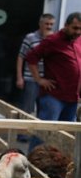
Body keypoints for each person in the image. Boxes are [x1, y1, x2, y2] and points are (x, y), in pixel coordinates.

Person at [26, 11, 81, 152]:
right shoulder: (53, 40)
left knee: (67, 135)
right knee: (45, 133)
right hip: (53, 96)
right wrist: (39, 79)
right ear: (66, 25)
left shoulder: (79, 40)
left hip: (73, 97)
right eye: (75, 28)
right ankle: (32, 164)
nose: (78, 32)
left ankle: (57, 168)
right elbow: (31, 57)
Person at [15, 13, 55, 141]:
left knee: (44, 108)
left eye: (51, 24)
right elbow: (21, 57)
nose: (48, 26)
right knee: (27, 108)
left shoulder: (54, 38)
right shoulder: (30, 38)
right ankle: (22, 134)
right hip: (30, 78)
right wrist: (19, 77)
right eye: (46, 24)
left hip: (47, 80)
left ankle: (38, 135)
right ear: (40, 24)